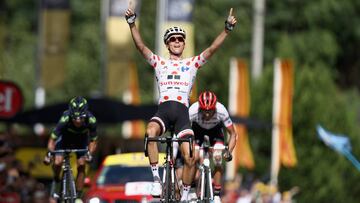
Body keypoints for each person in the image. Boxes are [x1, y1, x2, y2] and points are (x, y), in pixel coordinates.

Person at [125, 5, 237, 201]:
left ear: (184, 44)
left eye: (180, 39)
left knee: (191, 156)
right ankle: (156, 180)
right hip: (164, 111)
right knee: (150, 132)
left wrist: (226, 30)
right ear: (167, 45)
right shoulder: (160, 63)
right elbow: (141, 47)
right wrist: (132, 23)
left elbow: (212, 49)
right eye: (172, 40)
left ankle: (185, 195)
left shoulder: (191, 64)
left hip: (182, 116)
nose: (177, 42)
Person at [43, 96, 97, 201]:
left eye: (81, 118)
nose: (77, 121)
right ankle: (57, 180)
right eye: (74, 118)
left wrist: (89, 153)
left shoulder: (91, 120)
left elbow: (93, 140)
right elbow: (52, 139)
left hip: (81, 142)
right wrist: (49, 153)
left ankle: (78, 196)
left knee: (82, 164)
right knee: (58, 162)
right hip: (64, 141)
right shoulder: (65, 118)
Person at [189, 91, 237, 203]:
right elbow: (184, 130)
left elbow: (233, 134)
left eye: (210, 110)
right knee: (193, 156)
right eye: (204, 110)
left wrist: (228, 151)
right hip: (197, 131)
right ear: (199, 107)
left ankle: (216, 194)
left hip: (215, 132)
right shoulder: (192, 110)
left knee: (217, 158)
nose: (206, 114)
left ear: (214, 107)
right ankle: (191, 188)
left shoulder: (221, 110)